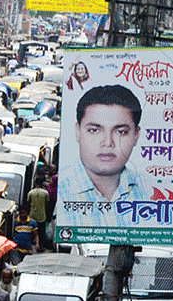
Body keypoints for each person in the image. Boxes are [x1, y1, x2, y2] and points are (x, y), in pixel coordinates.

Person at [58, 84, 154, 213]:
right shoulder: (61, 190)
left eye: (120, 132)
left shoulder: (152, 190)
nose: (108, 143)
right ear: (77, 131)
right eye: (94, 130)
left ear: (136, 135)